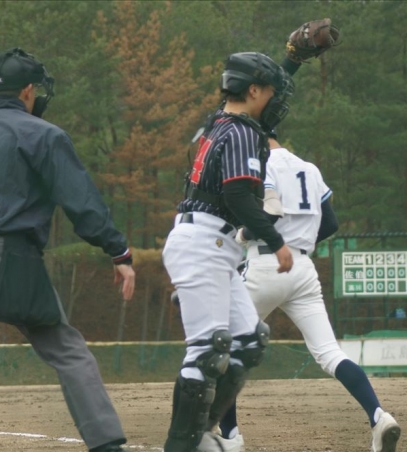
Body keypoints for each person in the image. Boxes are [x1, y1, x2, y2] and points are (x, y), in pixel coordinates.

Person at [0, 47, 135, 452]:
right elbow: (81, 201)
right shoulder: (43, 134)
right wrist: (118, 252)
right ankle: (107, 444)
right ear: (28, 90)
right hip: (8, 254)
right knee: (67, 350)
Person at [214, 133, 400, 452]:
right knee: (330, 353)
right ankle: (379, 417)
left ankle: (230, 436)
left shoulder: (260, 165)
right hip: (302, 267)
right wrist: (301, 239)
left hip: (265, 263)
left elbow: (267, 216)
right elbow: (330, 223)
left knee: (225, 346)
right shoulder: (310, 169)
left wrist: (243, 234)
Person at [161, 51, 295, 452]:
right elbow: (237, 195)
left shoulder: (220, 122)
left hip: (214, 244)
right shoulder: (239, 132)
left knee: (248, 341)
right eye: (268, 92)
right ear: (252, 91)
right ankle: (181, 446)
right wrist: (276, 242)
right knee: (207, 352)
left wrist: (292, 62)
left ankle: (200, 435)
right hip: (202, 242)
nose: (273, 100)